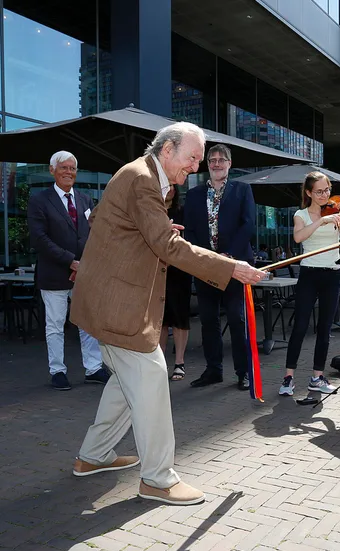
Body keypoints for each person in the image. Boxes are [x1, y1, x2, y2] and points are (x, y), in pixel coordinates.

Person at [69, 122, 266, 506]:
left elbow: (111, 222)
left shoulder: (142, 176)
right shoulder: (143, 179)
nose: (195, 167)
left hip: (109, 303)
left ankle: (93, 456)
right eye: (192, 158)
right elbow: (167, 246)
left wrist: (153, 227)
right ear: (167, 150)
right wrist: (230, 267)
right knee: (153, 377)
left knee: (125, 383)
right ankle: (158, 479)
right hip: (118, 307)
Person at [278, 172, 340, 397]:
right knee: (300, 326)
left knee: (325, 328)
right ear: (309, 193)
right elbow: (298, 237)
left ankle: (317, 377)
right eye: (319, 191)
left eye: (327, 190)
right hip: (309, 274)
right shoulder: (301, 215)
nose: (324, 195)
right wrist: (321, 221)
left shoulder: (338, 213)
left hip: (332, 274)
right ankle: (288, 377)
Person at [27, 150, 108, 390]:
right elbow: (39, 239)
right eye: (63, 167)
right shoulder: (39, 201)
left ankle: (93, 368)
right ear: (52, 170)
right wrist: (70, 261)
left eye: (72, 168)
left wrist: (88, 262)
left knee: (87, 323)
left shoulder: (85, 200)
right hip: (55, 274)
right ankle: (58, 371)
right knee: (55, 325)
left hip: (84, 274)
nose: (69, 172)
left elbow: (94, 234)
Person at [184, 145, 257, 391]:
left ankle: (243, 372)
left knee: (237, 318)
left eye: (221, 159)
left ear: (229, 163)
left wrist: (228, 256)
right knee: (208, 320)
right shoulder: (193, 195)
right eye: (212, 160)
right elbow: (189, 230)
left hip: (235, 265)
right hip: (205, 266)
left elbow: (248, 225)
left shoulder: (242, 190)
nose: (216, 163)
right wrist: (206, 258)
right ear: (207, 164)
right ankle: (213, 370)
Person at [160, 185, 192, 382]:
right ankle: (160, 363)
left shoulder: (183, 212)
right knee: (160, 319)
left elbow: (190, 241)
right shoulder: (152, 210)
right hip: (157, 270)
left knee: (180, 317)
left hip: (179, 271)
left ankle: (179, 362)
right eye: (165, 185)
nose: (169, 189)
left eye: (172, 186)